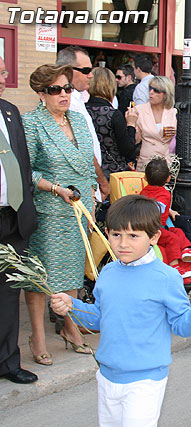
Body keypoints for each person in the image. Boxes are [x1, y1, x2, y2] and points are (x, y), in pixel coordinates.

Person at [49, 194, 191, 427]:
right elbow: (99, 319)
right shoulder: (107, 273)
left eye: (133, 236)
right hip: (107, 376)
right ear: (108, 235)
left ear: (154, 237)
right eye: (116, 235)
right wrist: (71, 306)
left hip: (145, 381)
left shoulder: (166, 277)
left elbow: (181, 326)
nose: (123, 244)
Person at [23, 63, 97, 364]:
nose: (65, 94)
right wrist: (55, 188)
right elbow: (24, 170)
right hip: (49, 208)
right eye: (56, 90)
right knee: (42, 275)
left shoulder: (79, 120)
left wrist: (92, 192)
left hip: (79, 208)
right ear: (42, 94)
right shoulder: (31, 123)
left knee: (72, 272)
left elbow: (88, 165)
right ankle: (38, 335)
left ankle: (70, 327)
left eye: (68, 88)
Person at [0, 56, 39, 385]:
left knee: (8, 293)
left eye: (4, 71)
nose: (5, 76)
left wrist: (26, 204)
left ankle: (8, 361)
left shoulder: (10, 112)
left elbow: (22, 162)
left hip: (12, 217)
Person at [140, 159, 191, 277]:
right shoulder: (164, 194)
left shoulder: (144, 192)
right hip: (155, 230)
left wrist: (169, 211)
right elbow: (156, 207)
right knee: (172, 238)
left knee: (178, 231)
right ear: (168, 178)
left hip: (154, 227)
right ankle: (175, 268)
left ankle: (187, 250)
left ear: (145, 178)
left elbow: (154, 203)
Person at [56, 46, 107, 200]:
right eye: (85, 70)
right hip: (76, 189)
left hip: (86, 186)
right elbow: (83, 150)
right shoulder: (66, 103)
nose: (91, 75)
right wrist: (102, 182)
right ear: (67, 71)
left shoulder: (78, 98)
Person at [86, 67, 138, 177]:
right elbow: (128, 150)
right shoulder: (113, 114)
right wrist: (131, 125)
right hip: (112, 173)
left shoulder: (82, 111)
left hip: (87, 171)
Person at [134, 76, 177, 171]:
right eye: (150, 89)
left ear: (166, 94)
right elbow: (135, 140)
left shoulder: (173, 112)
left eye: (156, 90)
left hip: (164, 165)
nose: (151, 92)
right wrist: (131, 123)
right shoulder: (139, 110)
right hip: (145, 164)